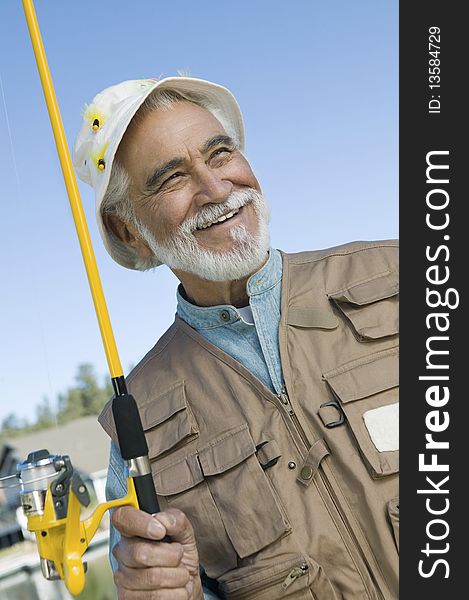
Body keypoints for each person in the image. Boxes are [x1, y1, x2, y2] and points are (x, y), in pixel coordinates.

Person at [73, 76, 399, 600]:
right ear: (130, 231)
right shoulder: (138, 424)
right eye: (171, 178)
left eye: (219, 153)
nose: (216, 188)